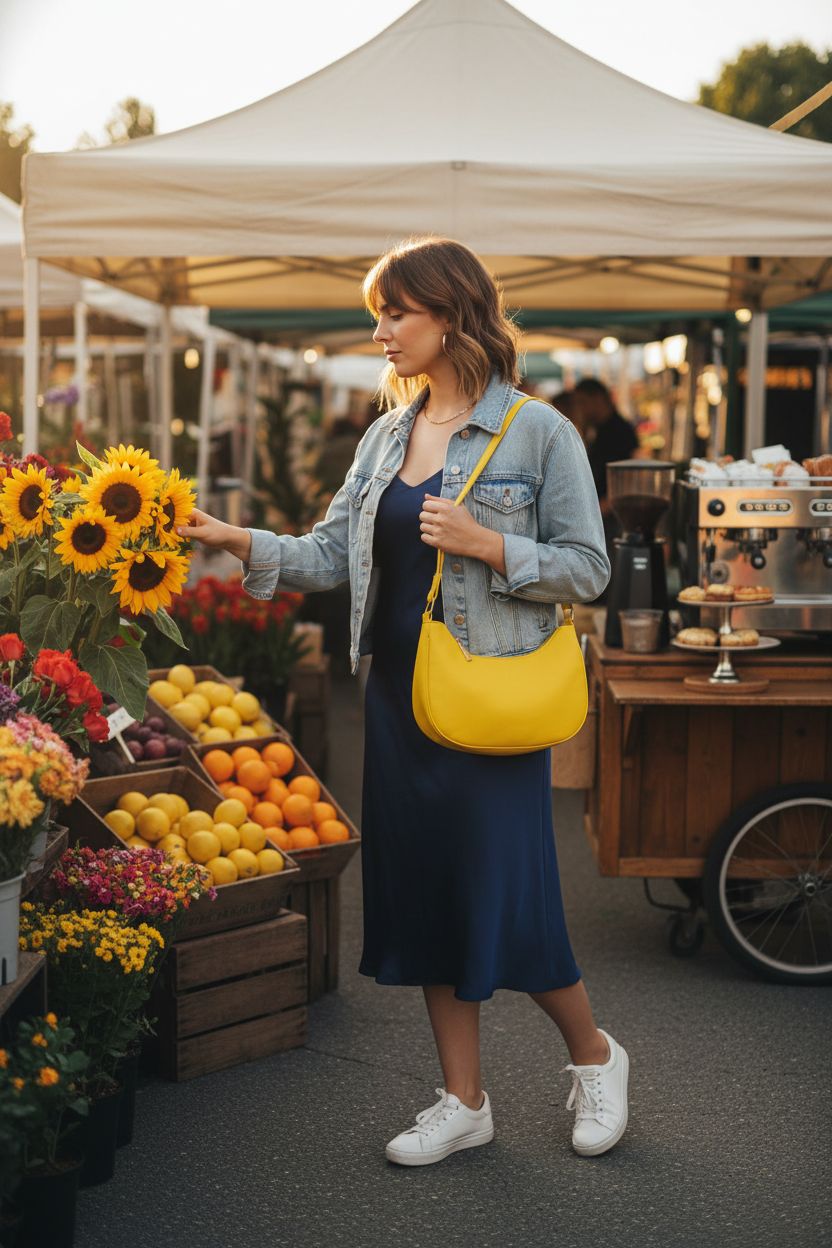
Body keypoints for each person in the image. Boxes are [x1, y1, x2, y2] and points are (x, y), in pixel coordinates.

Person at [180, 237, 630, 1167]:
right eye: (378, 312)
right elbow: (329, 555)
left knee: (507, 895)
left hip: (488, 698)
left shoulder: (539, 433)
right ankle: (464, 1100)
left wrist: (490, 545)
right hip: (398, 699)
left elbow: (591, 569)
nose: (380, 331)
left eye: (396, 313)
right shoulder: (385, 436)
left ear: (452, 314)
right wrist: (236, 539)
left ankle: (594, 1054)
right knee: (425, 890)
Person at [574, 377, 639, 508]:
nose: (579, 409)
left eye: (582, 402)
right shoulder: (597, 429)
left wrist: (599, 510)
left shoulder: (620, 431)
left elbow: (627, 480)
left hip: (612, 513)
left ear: (598, 399)